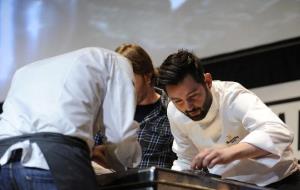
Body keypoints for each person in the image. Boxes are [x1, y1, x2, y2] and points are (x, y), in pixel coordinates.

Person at [0, 47, 141, 190]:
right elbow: (120, 134)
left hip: (3, 160)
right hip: (55, 162)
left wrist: (89, 150)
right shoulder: (118, 62)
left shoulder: (26, 70)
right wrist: (121, 163)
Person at [157, 49, 300, 188]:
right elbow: (186, 159)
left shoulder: (232, 96)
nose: (188, 107)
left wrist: (229, 152)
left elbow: (278, 132)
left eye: (193, 96)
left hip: (280, 181)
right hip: (230, 186)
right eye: (178, 101)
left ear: (207, 81)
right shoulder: (174, 112)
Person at [95, 44, 176, 168]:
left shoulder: (172, 110)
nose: (122, 88)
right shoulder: (108, 113)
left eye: (128, 81)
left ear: (147, 77)